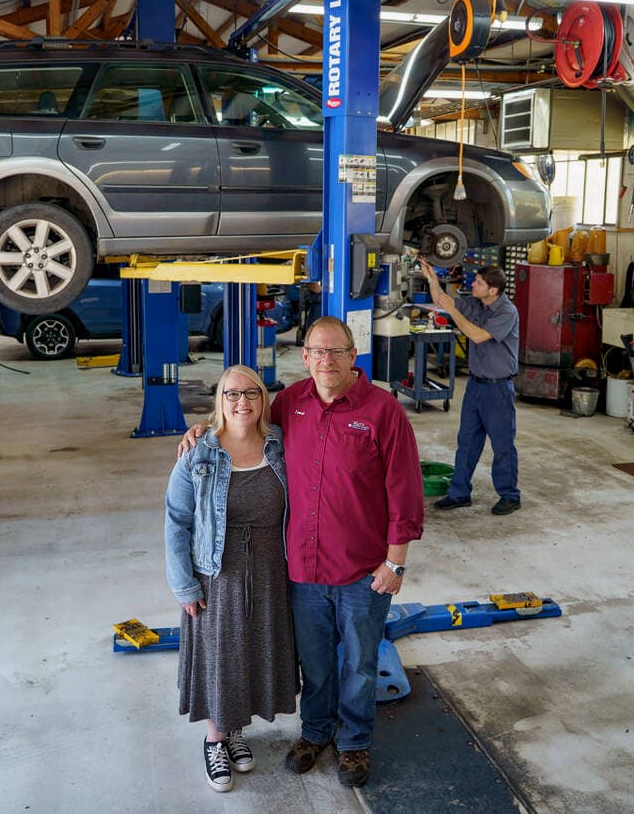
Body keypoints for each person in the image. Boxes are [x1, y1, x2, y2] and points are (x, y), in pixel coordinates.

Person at [180, 316, 424, 788]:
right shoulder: (291, 403)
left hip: (363, 570)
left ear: (354, 356)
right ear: (305, 356)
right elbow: (241, 423)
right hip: (304, 570)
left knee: (358, 663)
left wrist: (395, 561)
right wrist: (202, 429)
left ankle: (353, 742)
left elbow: (405, 491)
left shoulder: (383, 411)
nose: (326, 360)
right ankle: (315, 733)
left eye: (336, 351)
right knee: (313, 663)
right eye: (317, 351)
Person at [165, 364, 298, 793]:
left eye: (251, 394)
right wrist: (184, 583)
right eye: (232, 395)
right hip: (216, 571)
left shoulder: (279, 446)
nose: (243, 403)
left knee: (254, 650)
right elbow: (176, 521)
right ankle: (215, 738)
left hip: (270, 568)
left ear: (263, 400)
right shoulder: (199, 453)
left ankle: (237, 728)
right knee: (221, 655)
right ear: (220, 401)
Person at [419, 260, 522, 515]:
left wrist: (455, 315)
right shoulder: (476, 303)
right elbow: (444, 301)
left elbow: (477, 336)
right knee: (466, 442)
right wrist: (432, 279)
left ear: (493, 291)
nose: (472, 285)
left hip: (498, 389)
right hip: (476, 386)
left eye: (478, 283)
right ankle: (459, 493)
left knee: (502, 445)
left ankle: (510, 495)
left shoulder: (507, 312)